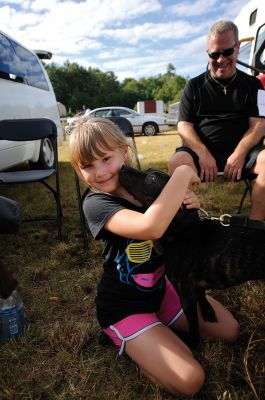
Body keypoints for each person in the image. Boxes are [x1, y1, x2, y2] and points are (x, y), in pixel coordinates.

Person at [69, 117, 239, 397]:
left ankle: (156, 332)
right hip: (124, 307)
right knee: (191, 379)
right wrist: (182, 174)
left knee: (230, 331)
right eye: (88, 165)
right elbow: (152, 226)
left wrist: (189, 207)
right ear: (78, 169)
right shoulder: (96, 203)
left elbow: (177, 227)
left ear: (124, 152)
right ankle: (123, 338)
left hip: (161, 291)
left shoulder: (147, 186)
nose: (99, 172)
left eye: (105, 159)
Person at [168, 19, 265, 221]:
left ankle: (255, 230)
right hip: (201, 153)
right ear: (208, 53)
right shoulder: (193, 86)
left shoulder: (255, 85)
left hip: (244, 155)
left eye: (227, 52)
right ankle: (188, 225)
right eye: (214, 54)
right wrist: (202, 153)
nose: (220, 59)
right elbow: (184, 125)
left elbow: (260, 125)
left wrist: (239, 154)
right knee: (177, 162)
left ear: (237, 47)